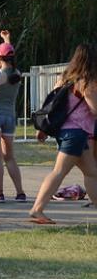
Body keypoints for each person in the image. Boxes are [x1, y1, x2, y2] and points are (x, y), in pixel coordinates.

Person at [29, 43, 97, 224]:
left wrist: (44, 128)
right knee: (59, 172)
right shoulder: (86, 81)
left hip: (68, 131)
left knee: (92, 172)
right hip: (75, 132)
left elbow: (53, 105)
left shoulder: (65, 78)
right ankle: (37, 209)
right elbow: (94, 109)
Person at [0, 31, 26, 202]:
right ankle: (20, 193)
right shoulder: (17, 73)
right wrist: (7, 41)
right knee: (10, 157)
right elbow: (9, 56)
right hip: (10, 117)